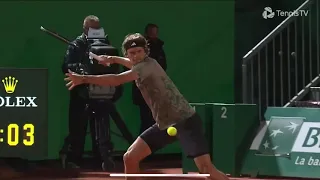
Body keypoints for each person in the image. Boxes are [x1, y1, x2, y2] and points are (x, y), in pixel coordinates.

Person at [64, 33, 230, 180]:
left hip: (185, 121)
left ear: (146, 52)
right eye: (131, 53)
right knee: (130, 157)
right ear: (127, 53)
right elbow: (132, 63)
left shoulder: (148, 65)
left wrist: (84, 79)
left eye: (139, 52)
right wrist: (113, 59)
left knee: (207, 170)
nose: (135, 56)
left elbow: (117, 79)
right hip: (165, 124)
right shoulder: (142, 64)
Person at [132, 23, 167, 134]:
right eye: (151, 33)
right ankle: (144, 148)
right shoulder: (140, 50)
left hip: (156, 90)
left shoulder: (159, 47)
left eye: (155, 33)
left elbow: (163, 67)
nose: (154, 36)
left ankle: (150, 148)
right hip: (144, 91)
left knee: (154, 121)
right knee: (146, 121)